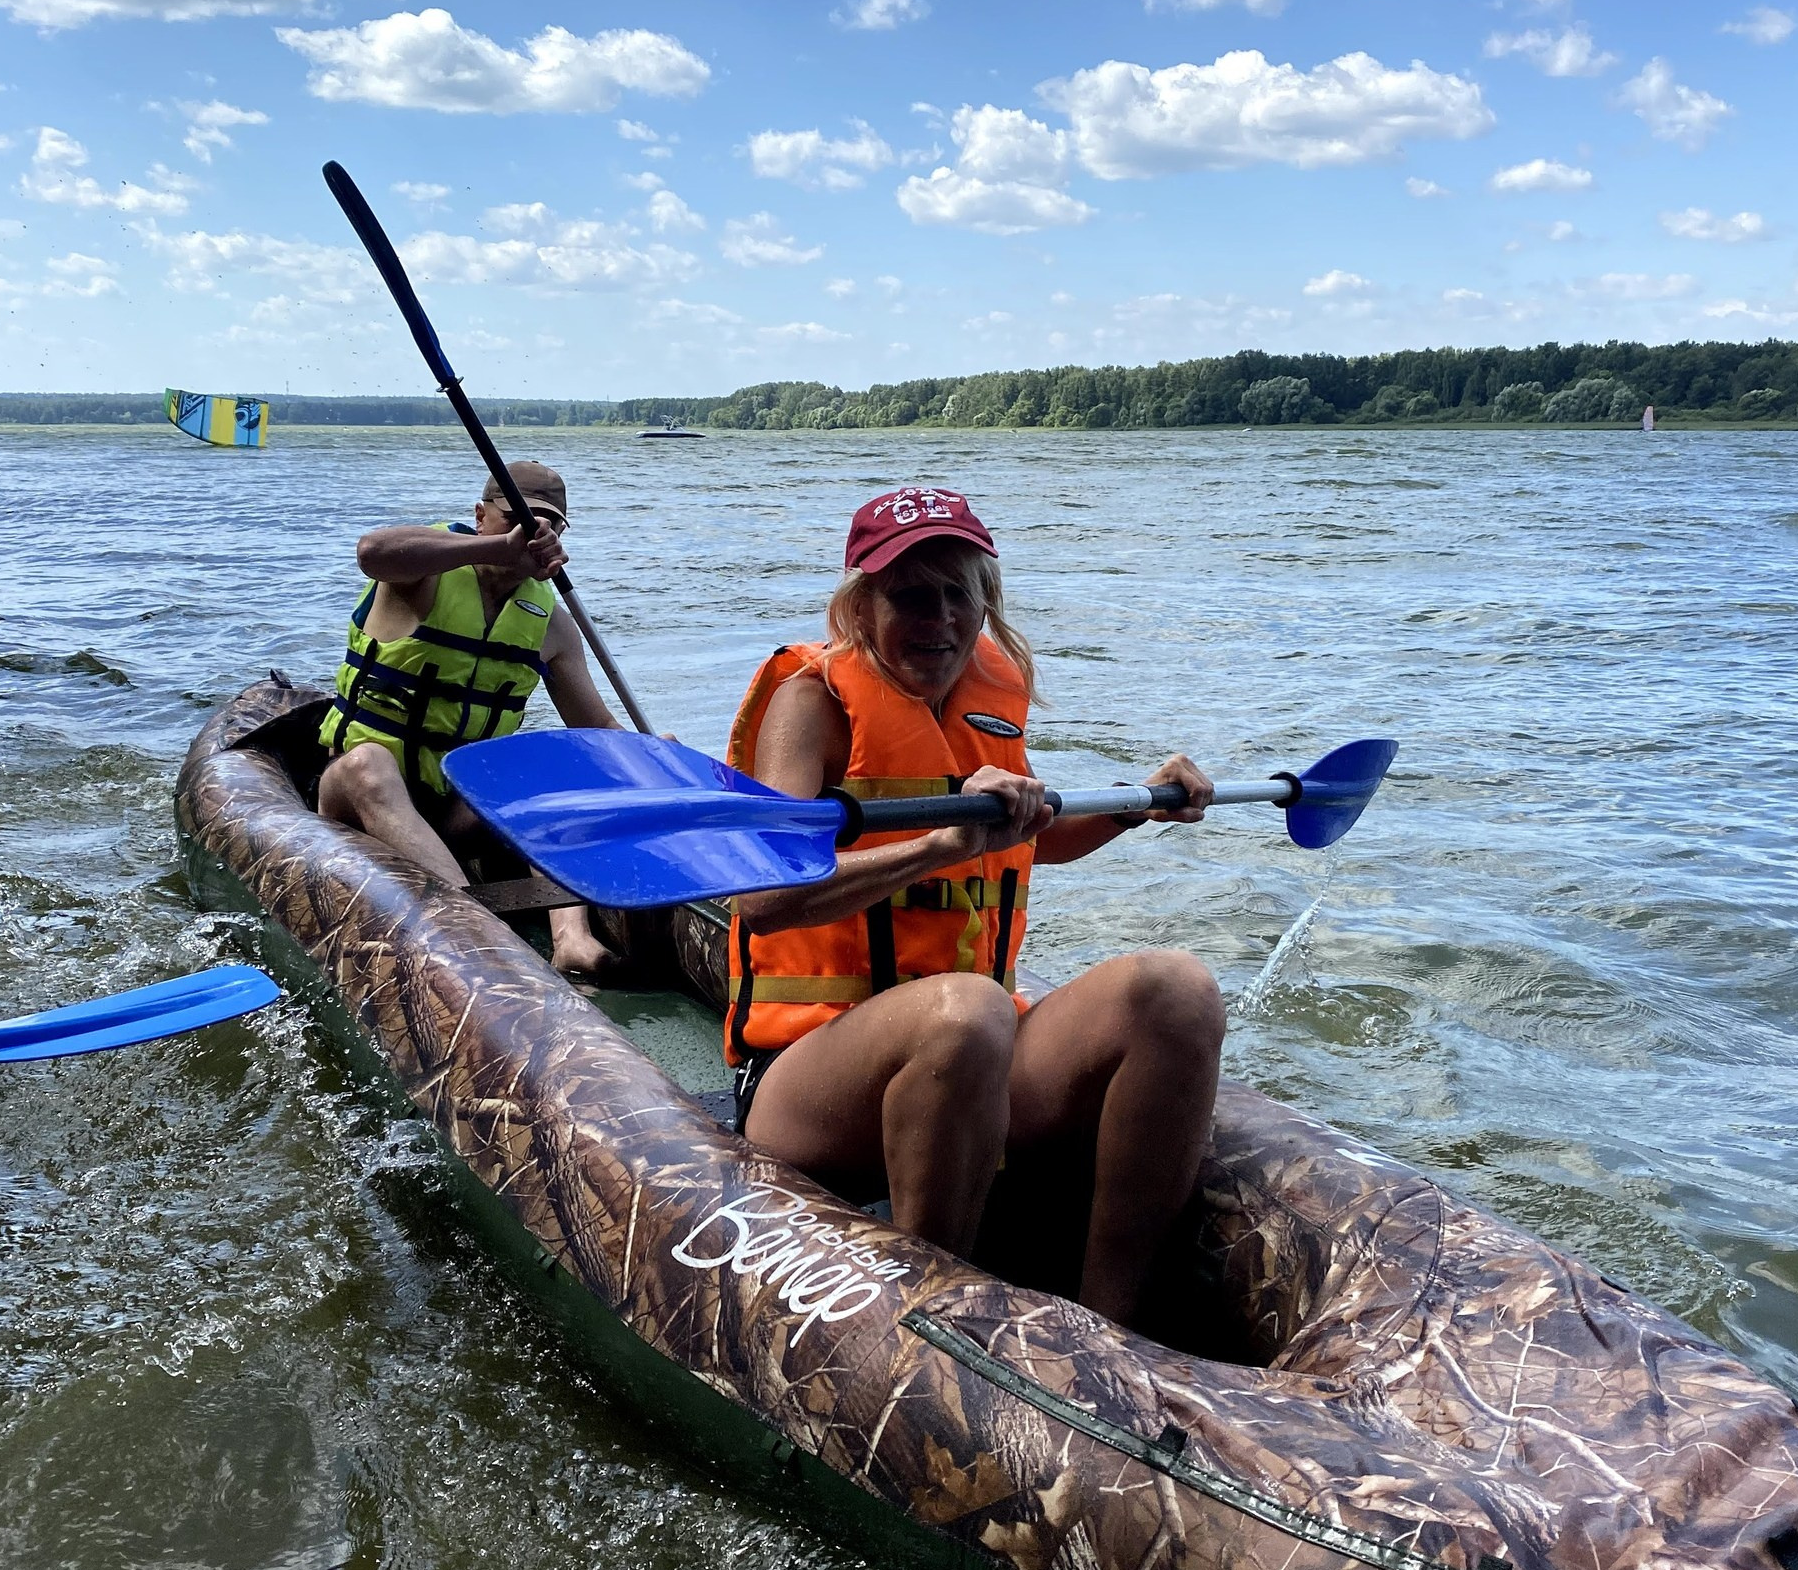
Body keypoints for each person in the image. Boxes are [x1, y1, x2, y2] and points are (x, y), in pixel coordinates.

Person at [724, 485, 1225, 1325]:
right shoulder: (809, 700)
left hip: (972, 1060)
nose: (942, 620)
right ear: (860, 607)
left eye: (959, 594)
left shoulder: (987, 695)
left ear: (986, 600)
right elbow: (763, 899)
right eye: (911, 597)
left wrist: (1137, 804)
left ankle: (1114, 1324)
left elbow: (1030, 844)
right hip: (808, 1081)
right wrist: (938, 845)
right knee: (967, 1009)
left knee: (1177, 990)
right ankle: (937, 1321)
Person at [316, 459, 617, 974]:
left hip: (452, 809)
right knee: (369, 763)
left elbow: (598, 730)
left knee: (547, 765)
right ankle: (476, 923)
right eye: (516, 519)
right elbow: (372, 551)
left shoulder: (551, 624)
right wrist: (496, 549)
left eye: (549, 525)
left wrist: (654, 756)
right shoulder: (422, 574)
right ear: (481, 516)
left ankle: (572, 938)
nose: (533, 534)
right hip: (356, 796)